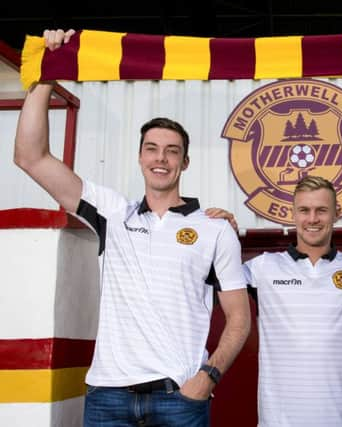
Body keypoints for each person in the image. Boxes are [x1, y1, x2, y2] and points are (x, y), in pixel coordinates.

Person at [14, 29, 250, 427]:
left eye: (172, 151)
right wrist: (45, 76)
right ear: (140, 157)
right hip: (107, 398)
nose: (162, 159)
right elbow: (30, 157)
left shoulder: (214, 229)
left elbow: (239, 317)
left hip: (180, 400)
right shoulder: (111, 211)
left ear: (185, 163)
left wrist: (208, 377)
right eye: (152, 149)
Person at [244, 176, 342, 426]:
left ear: (337, 213)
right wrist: (221, 227)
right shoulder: (263, 267)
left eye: (321, 210)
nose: (312, 219)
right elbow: (208, 277)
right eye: (304, 210)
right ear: (293, 214)